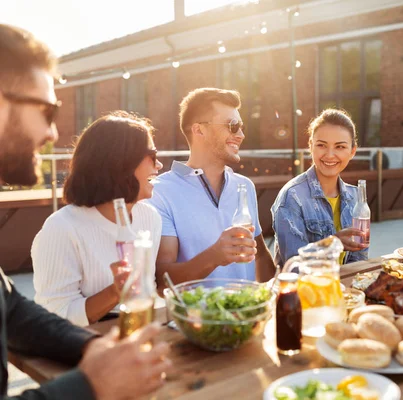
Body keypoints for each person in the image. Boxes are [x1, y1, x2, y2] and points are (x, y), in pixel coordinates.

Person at [0, 24, 170, 399]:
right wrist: (92, 385)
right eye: (47, 110)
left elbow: (11, 310)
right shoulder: (62, 228)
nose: (54, 135)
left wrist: (91, 348)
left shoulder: (149, 216)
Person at [31, 112, 163, 326]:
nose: (159, 166)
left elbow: (147, 293)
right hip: (83, 348)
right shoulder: (62, 229)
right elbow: (54, 315)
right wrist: (115, 292)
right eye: (153, 156)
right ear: (121, 163)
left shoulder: (150, 218)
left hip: (137, 334)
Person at [148, 88, 275, 288]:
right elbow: (163, 279)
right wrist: (215, 256)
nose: (240, 135)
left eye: (241, 126)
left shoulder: (244, 186)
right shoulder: (159, 192)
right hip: (194, 318)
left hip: (250, 314)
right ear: (199, 130)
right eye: (232, 126)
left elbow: (259, 257)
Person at [271, 109, 368, 266]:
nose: (330, 155)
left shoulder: (356, 197)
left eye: (340, 147)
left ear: (352, 151)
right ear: (311, 146)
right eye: (322, 145)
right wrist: (332, 244)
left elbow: (358, 261)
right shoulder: (293, 196)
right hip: (301, 289)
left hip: (343, 288)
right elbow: (294, 266)